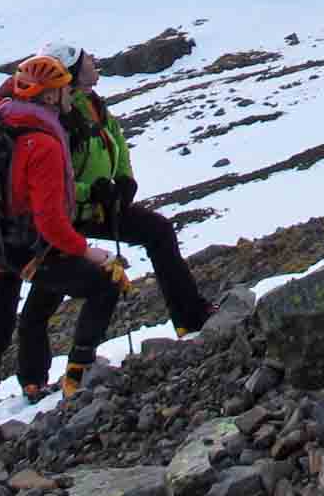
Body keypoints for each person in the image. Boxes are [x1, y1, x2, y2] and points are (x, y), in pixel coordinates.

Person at [0, 52, 126, 432]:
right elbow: (51, 222)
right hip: (25, 244)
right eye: (65, 88)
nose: (71, 94)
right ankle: (78, 376)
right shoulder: (43, 142)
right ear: (50, 96)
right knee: (105, 283)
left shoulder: (5, 117)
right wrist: (89, 251)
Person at [53, 43, 210, 335]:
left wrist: (125, 179)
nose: (93, 60)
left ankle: (191, 319)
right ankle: (190, 319)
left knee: (158, 231)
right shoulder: (62, 115)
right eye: (86, 58)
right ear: (73, 71)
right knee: (46, 300)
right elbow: (54, 181)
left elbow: (117, 141)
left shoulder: (92, 103)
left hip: (99, 205)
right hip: (73, 211)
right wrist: (91, 191)